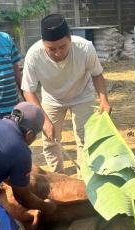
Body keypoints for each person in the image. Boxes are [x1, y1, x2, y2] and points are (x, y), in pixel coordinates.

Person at [22, 14, 111, 173]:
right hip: (52, 99)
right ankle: (58, 178)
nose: (58, 53)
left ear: (70, 38)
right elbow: (28, 90)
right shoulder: (33, 55)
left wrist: (104, 100)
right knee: (50, 142)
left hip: (82, 94)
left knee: (85, 139)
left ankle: (85, 180)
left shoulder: (85, 48)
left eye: (62, 46)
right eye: (51, 49)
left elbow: (97, 74)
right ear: (43, 44)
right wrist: (44, 120)